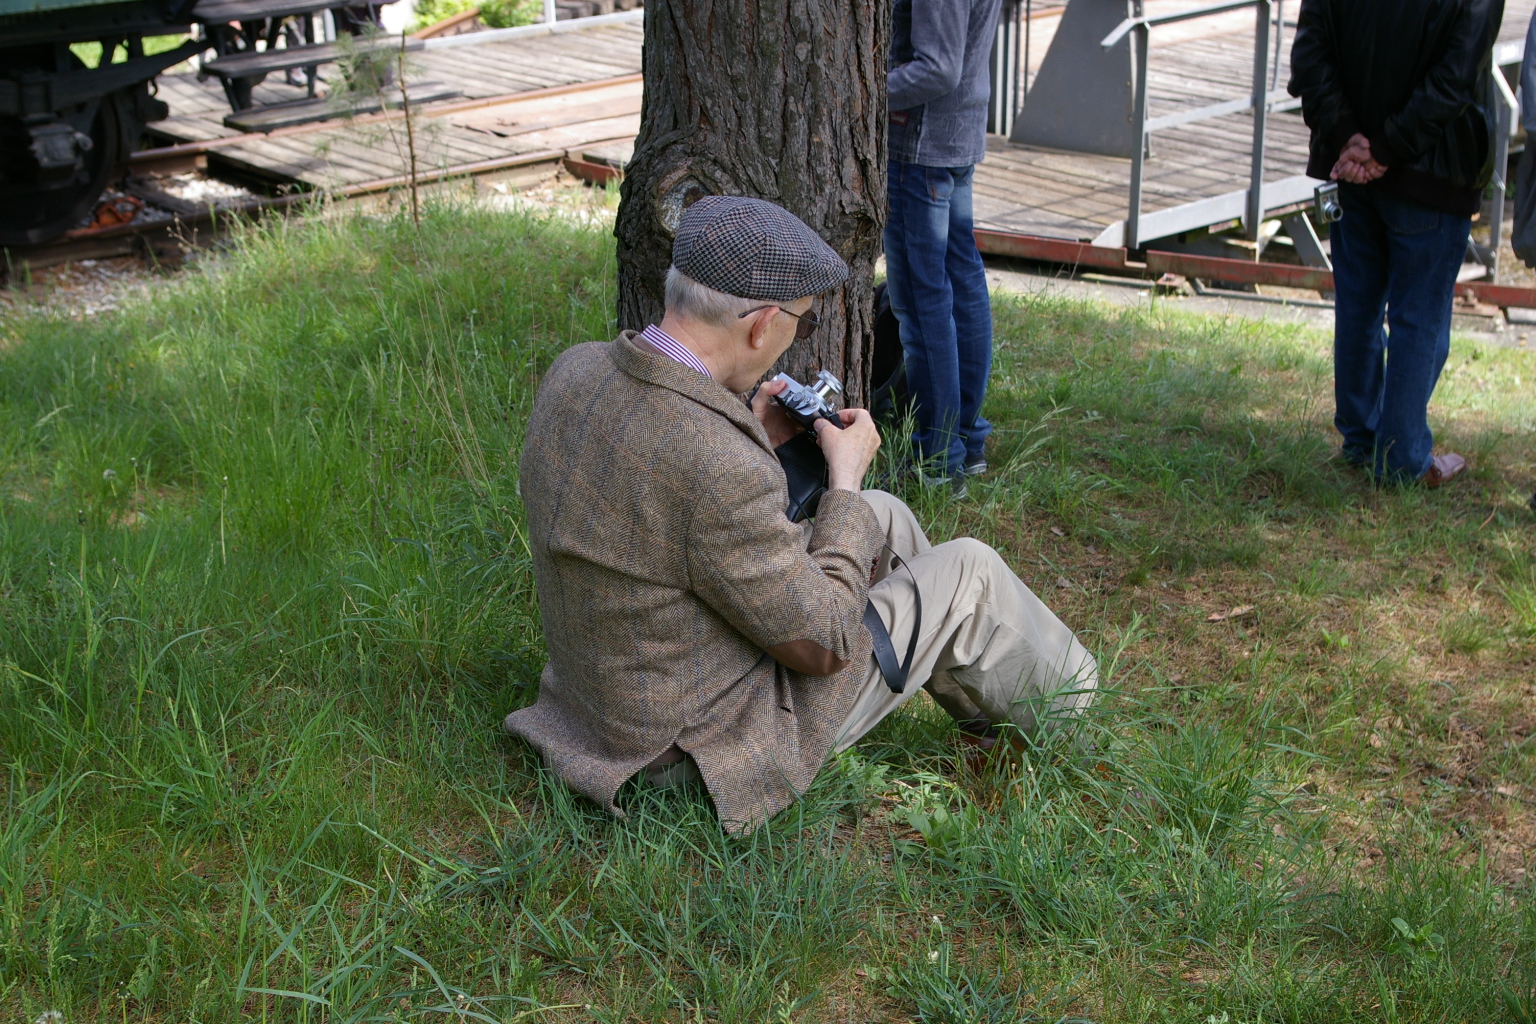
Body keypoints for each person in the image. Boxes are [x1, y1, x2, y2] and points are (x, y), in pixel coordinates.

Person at [505, 196, 1099, 833]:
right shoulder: (710, 458)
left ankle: (988, 719)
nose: (796, 337)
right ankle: (1076, 719)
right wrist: (842, 480)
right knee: (970, 571)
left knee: (886, 516)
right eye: (803, 323)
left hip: (606, 704)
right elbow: (826, 644)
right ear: (762, 325)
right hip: (689, 753)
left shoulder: (577, 370)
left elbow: (661, 502)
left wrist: (752, 433)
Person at [1289, 0, 1503, 487]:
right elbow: (1456, 75)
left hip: (1352, 163)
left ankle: (1364, 440)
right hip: (1431, 170)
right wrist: (1385, 147)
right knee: (1419, 319)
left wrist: (1349, 137)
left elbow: (1310, 52)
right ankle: (1401, 456)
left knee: (1360, 308)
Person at [884, 0, 1004, 495]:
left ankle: (938, 457)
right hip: (955, 135)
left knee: (923, 299)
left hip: (922, 146)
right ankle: (965, 442)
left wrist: (862, 92)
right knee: (961, 283)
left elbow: (938, 67)